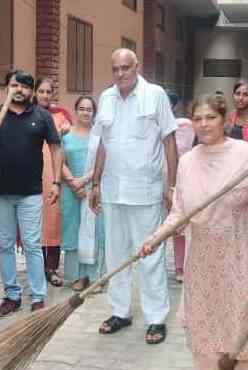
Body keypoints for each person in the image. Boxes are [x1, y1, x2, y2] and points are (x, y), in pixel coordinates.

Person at [139, 93, 248, 370]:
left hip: (239, 254)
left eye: (211, 118)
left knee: (236, 320)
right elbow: (179, 212)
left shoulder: (247, 155)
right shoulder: (188, 161)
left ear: (224, 119)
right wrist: (155, 238)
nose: (204, 125)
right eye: (198, 119)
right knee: (204, 321)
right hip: (202, 256)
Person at [88, 48, 178, 345]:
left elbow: (169, 141)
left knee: (150, 255)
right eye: (115, 69)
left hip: (146, 190)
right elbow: (102, 143)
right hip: (114, 190)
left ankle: (156, 318)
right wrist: (95, 183)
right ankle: (120, 312)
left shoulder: (155, 95)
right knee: (116, 254)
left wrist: (172, 186)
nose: (120, 74)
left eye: (125, 68)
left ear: (137, 67)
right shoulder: (106, 98)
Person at [0, 69, 62, 316]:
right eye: (15, 85)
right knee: (4, 244)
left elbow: (55, 148)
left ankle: (37, 296)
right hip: (0, 193)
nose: (20, 90)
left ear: (31, 91)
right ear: (7, 87)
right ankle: (12, 295)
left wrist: (56, 182)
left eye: (25, 86)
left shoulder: (42, 116)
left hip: (31, 193)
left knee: (33, 245)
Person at [60, 96, 105, 290]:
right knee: (72, 230)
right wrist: (72, 182)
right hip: (70, 191)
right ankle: (76, 275)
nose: (85, 112)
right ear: (76, 110)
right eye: (82, 108)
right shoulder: (66, 135)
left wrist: (84, 181)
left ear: (94, 113)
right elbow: (59, 161)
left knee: (95, 230)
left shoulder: (99, 137)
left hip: (92, 187)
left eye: (89, 109)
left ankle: (93, 276)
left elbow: (101, 163)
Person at [35, 77, 72, 287]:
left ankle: (52, 267)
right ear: (35, 93)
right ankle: (38, 266)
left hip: (55, 174)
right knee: (37, 220)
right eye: (41, 91)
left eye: (49, 92)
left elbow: (72, 140)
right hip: (33, 173)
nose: (45, 96)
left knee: (54, 219)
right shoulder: (28, 114)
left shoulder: (61, 116)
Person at [166, 89, 195, 283]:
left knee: (179, 226)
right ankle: (156, 268)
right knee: (157, 226)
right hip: (154, 181)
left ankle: (181, 266)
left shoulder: (184, 126)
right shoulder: (148, 125)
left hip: (180, 179)